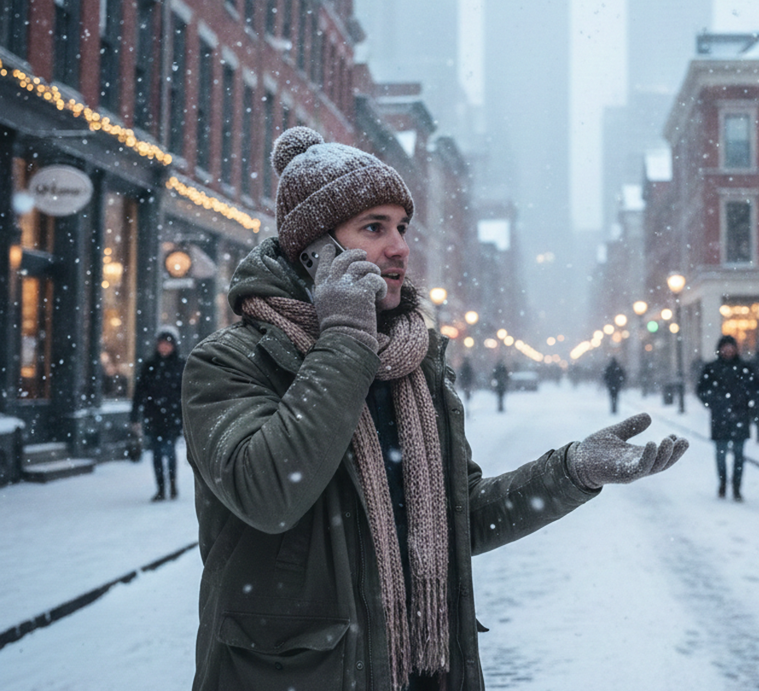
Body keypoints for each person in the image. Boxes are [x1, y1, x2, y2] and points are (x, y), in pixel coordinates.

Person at [180, 126, 691, 691]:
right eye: (374, 228)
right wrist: (346, 335)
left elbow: (459, 518)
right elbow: (271, 493)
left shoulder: (413, 366)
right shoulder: (229, 363)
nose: (399, 246)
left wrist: (570, 471)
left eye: (401, 227)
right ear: (314, 251)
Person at [697, 335, 759, 501]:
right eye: (725, 347)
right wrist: (713, 403)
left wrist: (748, 406)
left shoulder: (745, 368)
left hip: (740, 417)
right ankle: (723, 483)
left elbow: (755, 390)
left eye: (731, 347)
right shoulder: (712, 368)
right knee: (721, 454)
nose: (728, 350)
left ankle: (737, 487)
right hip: (720, 418)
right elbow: (702, 390)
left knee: (739, 455)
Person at [130, 328, 185, 501]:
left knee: (169, 451)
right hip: (153, 416)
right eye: (162, 344)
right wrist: (134, 416)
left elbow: (187, 393)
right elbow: (139, 391)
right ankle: (161, 488)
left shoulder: (181, 365)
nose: (164, 347)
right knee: (156, 453)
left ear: (174, 345)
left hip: (173, 416)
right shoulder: (150, 366)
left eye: (168, 344)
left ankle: (173, 484)